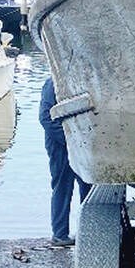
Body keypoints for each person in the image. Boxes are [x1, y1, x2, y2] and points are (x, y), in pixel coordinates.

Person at [39, 77, 91, 246]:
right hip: (59, 146)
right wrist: (70, 141)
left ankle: (87, 231)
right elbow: (46, 118)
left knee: (88, 188)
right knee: (62, 186)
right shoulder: (51, 84)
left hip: (83, 144)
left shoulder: (83, 80)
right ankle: (60, 234)